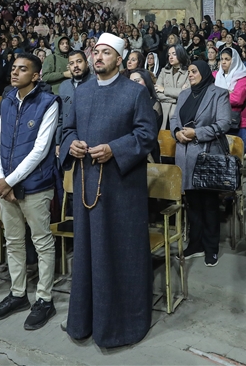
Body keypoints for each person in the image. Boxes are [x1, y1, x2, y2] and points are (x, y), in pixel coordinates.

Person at [57, 33, 158, 348]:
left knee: (120, 252)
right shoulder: (83, 92)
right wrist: (69, 143)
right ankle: (84, 321)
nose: (97, 57)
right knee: (88, 253)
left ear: (119, 59)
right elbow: (67, 127)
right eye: (95, 52)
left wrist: (115, 149)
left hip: (121, 190)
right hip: (88, 187)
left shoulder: (134, 92)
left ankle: (121, 325)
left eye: (105, 53)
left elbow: (147, 134)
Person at [0, 55, 60, 329]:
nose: (15, 72)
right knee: (14, 242)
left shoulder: (48, 102)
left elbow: (41, 150)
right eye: (14, 68)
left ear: (37, 75)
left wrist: (10, 180)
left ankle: (44, 299)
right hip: (5, 186)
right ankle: (18, 294)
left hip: (35, 186)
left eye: (23, 69)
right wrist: (0, 179)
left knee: (42, 242)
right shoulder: (7, 100)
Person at [171, 60, 230, 266]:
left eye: (194, 71)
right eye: (189, 72)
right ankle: (195, 244)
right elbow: (174, 119)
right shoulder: (184, 94)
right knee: (193, 203)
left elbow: (224, 123)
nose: (190, 75)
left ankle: (211, 247)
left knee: (209, 204)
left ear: (204, 73)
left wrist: (197, 133)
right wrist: (177, 133)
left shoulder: (218, 93)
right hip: (185, 154)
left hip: (206, 155)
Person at [215, 46, 246, 149]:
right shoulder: (217, 76)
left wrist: (219, 94)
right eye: (221, 59)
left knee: (235, 160)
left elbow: (237, 100)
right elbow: (210, 95)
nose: (223, 62)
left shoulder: (242, 77)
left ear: (234, 60)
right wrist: (228, 93)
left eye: (227, 59)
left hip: (238, 123)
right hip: (219, 121)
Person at [155, 43, 190, 131]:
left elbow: (186, 94)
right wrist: (176, 98)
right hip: (162, 111)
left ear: (181, 54)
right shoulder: (164, 71)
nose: (170, 57)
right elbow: (157, 93)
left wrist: (164, 90)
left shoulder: (189, 72)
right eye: (169, 54)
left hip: (180, 112)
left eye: (174, 54)